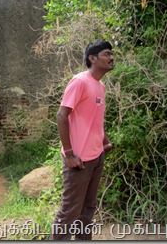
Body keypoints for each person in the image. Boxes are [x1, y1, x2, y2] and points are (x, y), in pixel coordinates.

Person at [51, 41, 115, 240]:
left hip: (96, 156)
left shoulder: (101, 86)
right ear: (92, 58)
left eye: (112, 54)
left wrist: (105, 140)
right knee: (70, 211)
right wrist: (69, 154)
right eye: (106, 54)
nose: (111, 57)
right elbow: (62, 116)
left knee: (87, 209)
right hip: (79, 159)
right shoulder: (79, 82)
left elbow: (94, 118)